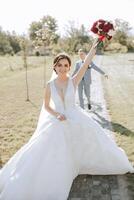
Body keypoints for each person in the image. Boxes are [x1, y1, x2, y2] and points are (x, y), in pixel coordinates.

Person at [0, 40, 133, 200]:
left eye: (65, 65)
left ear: (69, 67)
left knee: (95, 136)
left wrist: (94, 46)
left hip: (76, 117)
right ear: (54, 67)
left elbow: (86, 64)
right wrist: (57, 115)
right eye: (59, 65)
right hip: (57, 120)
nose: (62, 68)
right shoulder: (50, 85)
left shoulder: (73, 81)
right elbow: (46, 106)